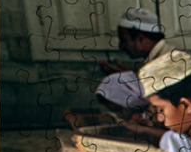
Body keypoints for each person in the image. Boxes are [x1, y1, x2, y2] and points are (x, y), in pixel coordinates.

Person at [64, 7, 173, 140]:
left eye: (124, 40)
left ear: (140, 38)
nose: (121, 46)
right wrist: (132, 76)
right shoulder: (157, 58)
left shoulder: (167, 60)